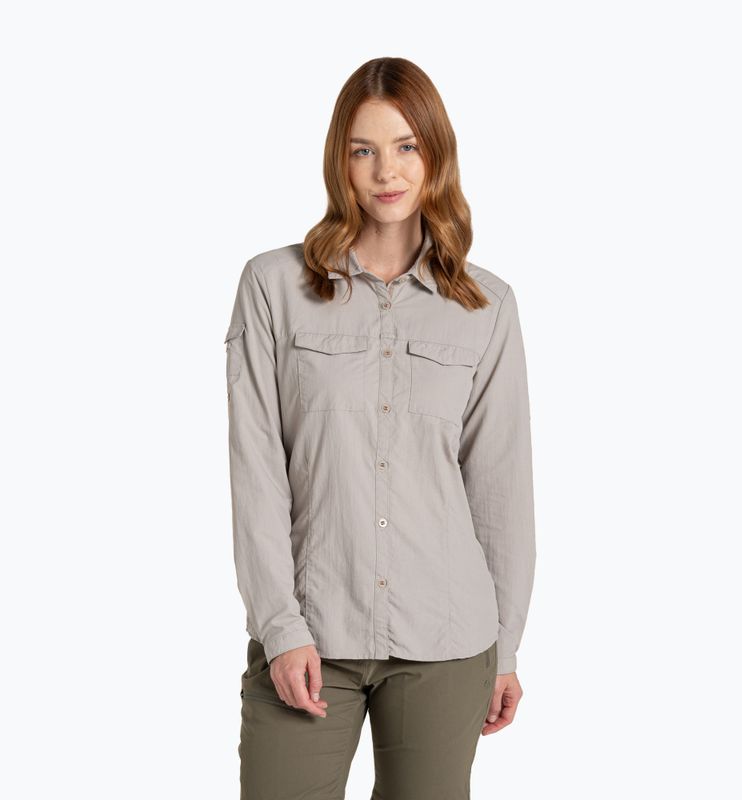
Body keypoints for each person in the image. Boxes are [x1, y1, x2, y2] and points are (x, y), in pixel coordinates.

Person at [224, 56, 537, 800]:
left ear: (436, 155)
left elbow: (500, 487)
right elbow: (256, 471)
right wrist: (281, 627)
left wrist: (505, 648)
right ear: (340, 160)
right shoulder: (273, 287)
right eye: (363, 149)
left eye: (406, 147)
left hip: (446, 637)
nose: (386, 171)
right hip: (310, 633)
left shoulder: (488, 306)